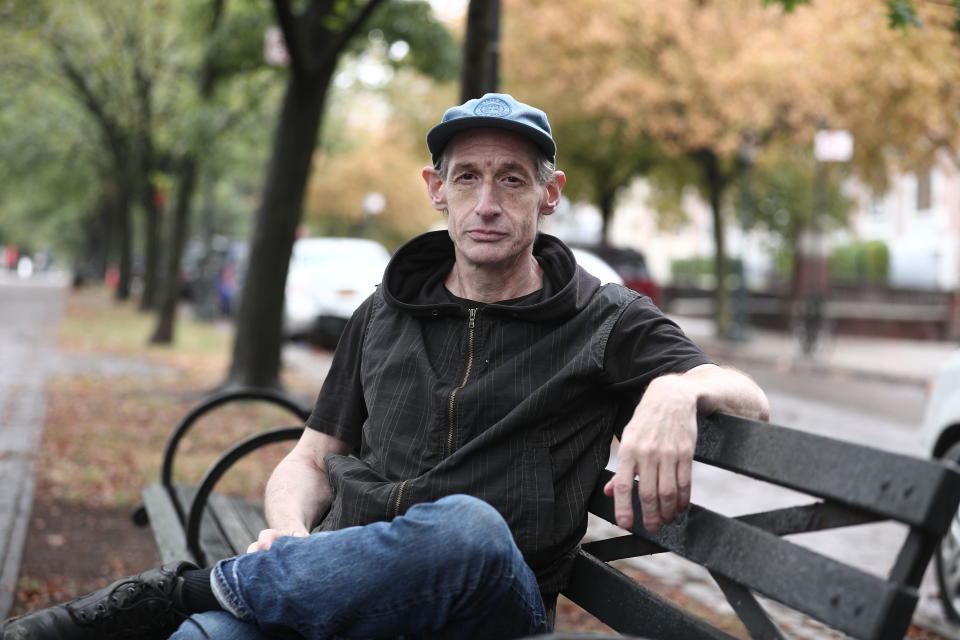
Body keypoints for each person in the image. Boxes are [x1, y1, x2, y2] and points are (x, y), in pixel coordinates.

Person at [2, 93, 768, 640]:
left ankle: (175, 592)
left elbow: (749, 398)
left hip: (487, 599)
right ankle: (196, 606)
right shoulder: (385, 311)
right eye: (467, 177)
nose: (488, 202)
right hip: (341, 579)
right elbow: (310, 458)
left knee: (468, 525)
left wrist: (674, 387)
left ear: (549, 195)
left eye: (511, 178)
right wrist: (292, 532)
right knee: (205, 637)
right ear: (437, 191)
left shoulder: (603, 320)